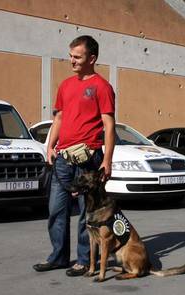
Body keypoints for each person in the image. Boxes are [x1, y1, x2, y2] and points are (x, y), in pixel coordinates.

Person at [33, 35, 116, 276]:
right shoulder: (65, 85)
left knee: (84, 213)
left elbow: (109, 125)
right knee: (56, 210)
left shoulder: (102, 87)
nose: (72, 61)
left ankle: (83, 259)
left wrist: (108, 160)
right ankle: (58, 257)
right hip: (63, 160)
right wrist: (50, 146)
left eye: (77, 57)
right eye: (70, 56)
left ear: (92, 58)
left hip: (89, 160)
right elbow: (58, 118)